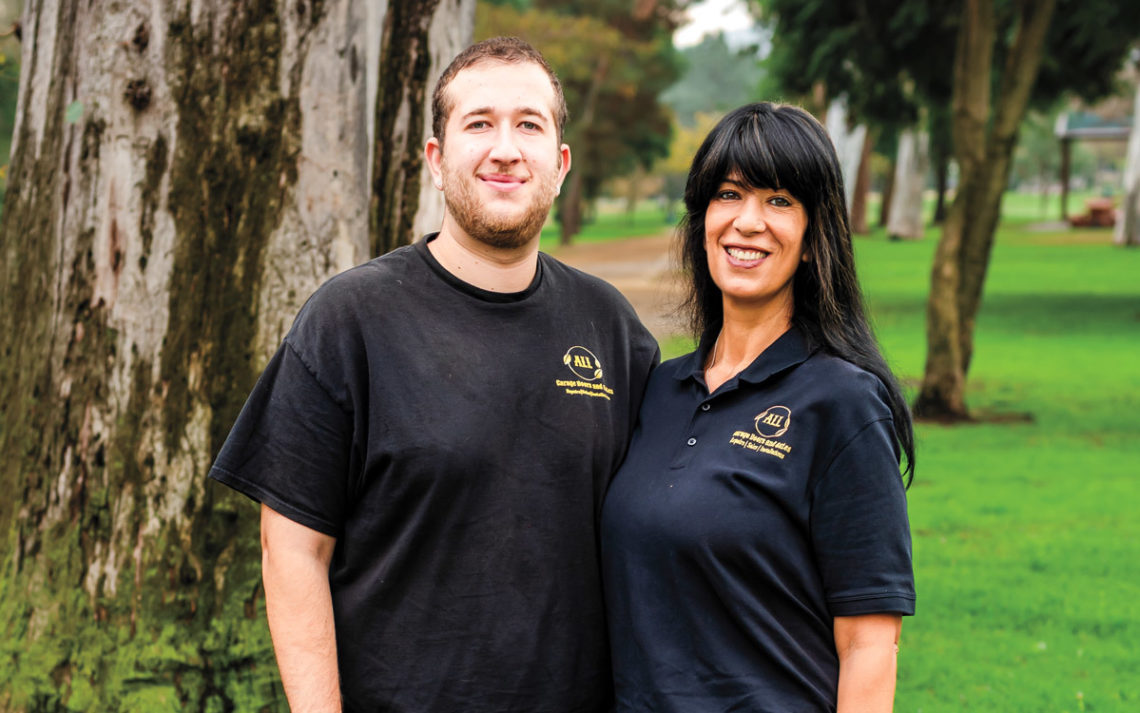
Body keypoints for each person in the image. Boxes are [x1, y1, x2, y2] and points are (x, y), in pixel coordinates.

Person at [209, 37, 658, 712]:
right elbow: (292, 549)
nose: (505, 147)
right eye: (478, 123)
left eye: (528, 124)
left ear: (559, 164)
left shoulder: (613, 330)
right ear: (436, 159)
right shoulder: (350, 320)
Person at [601, 102, 916, 712]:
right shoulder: (658, 390)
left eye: (779, 200)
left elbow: (871, 646)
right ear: (701, 220)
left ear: (813, 235)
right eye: (728, 194)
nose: (748, 221)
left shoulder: (843, 402)